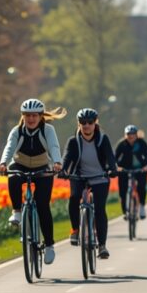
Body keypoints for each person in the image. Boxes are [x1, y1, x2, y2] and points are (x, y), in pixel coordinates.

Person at [0, 98, 66, 265]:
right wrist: (3, 163)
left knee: (42, 205)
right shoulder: (17, 131)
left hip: (42, 166)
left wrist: (57, 162)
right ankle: (17, 212)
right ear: (23, 116)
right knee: (13, 177)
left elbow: (54, 147)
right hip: (20, 164)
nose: (31, 119)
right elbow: (9, 147)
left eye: (34, 115)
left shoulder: (47, 130)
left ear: (41, 116)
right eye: (27, 115)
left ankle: (49, 245)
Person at [61, 108, 116, 259]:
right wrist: (63, 170)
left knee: (99, 209)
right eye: (83, 123)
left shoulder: (102, 139)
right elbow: (67, 157)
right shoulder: (73, 141)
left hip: (100, 177)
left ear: (95, 123)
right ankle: (75, 230)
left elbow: (110, 157)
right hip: (79, 176)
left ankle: (102, 246)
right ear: (78, 124)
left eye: (90, 122)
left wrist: (113, 169)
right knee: (74, 198)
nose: (86, 126)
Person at [114, 124, 147, 219]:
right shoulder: (121, 144)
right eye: (128, 134)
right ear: (125, 135)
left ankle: (142, 207)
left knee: (141, 187)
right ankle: (125, 212)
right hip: (125, 169)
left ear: (136, 135)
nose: (130, 136)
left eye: (133, 134)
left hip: (140, 169)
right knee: (123, 191)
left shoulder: (142, 143)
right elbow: (114, 157)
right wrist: (116, 167)